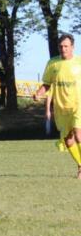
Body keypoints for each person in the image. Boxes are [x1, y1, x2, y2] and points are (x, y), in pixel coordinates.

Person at [34, 34, 81, 178]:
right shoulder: (53, 63)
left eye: (66, 46)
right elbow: (47, 84)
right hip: (61, 107)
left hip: (78, 105)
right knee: (68, 139)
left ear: (72, 47)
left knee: (78, 134)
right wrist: (39, 93)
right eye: (61, 46)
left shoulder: (79, 62)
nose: (63, 49)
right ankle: (80, 165)